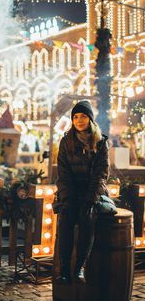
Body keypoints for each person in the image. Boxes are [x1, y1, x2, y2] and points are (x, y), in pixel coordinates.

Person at [56, 100, 109, 283]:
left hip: (91, 192)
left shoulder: (100, 142)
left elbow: (101, 175)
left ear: (90, 119)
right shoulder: (66, 142)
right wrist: (67, 197)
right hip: (71, 192)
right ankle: (64, 269)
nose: (79, 120)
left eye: (83, 116)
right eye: (76, 117)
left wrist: (90, 199)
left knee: (87, 217)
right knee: (66, 217)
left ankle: (80, 267)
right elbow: (63, 174)